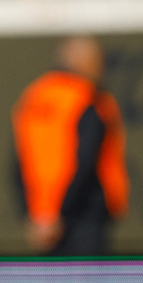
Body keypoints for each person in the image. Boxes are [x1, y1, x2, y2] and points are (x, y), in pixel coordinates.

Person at [12, 35, 129, 256]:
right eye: (96, 59)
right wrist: (61, 212)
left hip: (44, 220)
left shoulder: (34, 96)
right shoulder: (87, 98)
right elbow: (85, 161)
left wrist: (37, 216)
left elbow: (19, 162)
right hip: (84, 212)